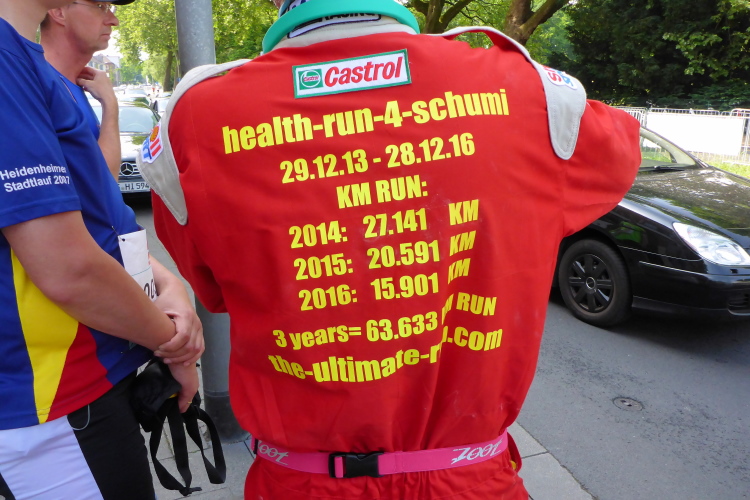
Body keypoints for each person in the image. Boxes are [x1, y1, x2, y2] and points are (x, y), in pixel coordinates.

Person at [141, 0, 641, 497]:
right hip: (471, 481)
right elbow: (617, 153)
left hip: (305, 484)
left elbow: (211, 289)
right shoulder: (527, 91)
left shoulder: (196, 118)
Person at [0, 1, 204, 498]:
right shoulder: (8, 62)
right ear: (62, 11)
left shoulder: (25, 61)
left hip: (77, 384)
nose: (112, 16)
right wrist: (177, 344)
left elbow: (97, 218)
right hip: (52, 396)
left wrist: (168, 283)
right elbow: (69, 268)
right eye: (100, 3)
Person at [40, 0, 129, 179]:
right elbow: (104, 180)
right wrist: (110, 105)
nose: (114, 20)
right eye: (100, 6)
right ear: (58, 11)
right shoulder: (38, 86)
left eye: (110, 8)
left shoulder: (68, 83)